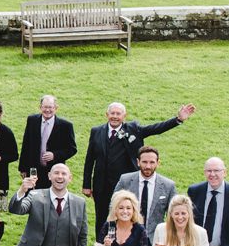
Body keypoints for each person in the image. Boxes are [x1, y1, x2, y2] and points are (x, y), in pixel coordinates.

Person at [82, 100, 195, 238]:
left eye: (118, 113)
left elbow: (155, 128)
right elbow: (89, 159)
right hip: (102, 186)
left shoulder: (133, 129)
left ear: (124, 116)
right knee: (103, 218)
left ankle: (126, 242)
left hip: (127, 186)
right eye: (112, 113)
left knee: (126, 216)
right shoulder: (97, 131)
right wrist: (86, 184)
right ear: (107, 114)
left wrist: (177, 120)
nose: (115, 116)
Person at [8, 162, 89, 246]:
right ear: (49, 176)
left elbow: (83, 235)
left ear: (70, 178)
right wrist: (22, 190)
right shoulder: (35, 195)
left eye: (63, 173)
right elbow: (17, 209)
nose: (60, 176)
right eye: (56, 173)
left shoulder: (79, 203)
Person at [114, 147, 176, 239]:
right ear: (138, 162)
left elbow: (173, 214)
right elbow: (113, 206)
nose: (148, 166)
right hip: (127, 238)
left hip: (155, 239)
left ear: (158, 163)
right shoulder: (125, 180)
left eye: (152, 162)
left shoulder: (168, 185)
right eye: (144, 162)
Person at [18, 93, 77, 182]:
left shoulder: (65, 126)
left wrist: (54, 155)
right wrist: (22, 168)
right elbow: (26, 144)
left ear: (56, 108)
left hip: (54, 172)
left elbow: (72, 149)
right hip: (34, 171)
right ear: (40, 107)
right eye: (45, 107)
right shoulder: (32, 120)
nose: (47, 110)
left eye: (50, 107)